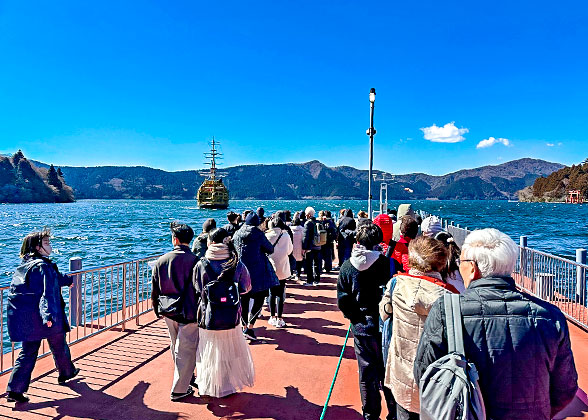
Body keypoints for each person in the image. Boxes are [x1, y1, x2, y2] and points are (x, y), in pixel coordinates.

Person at [414, 228, 578, 420]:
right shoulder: (550, 316)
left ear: (473, 268)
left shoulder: (446, 310)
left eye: (461, 262)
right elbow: (565, 388)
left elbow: (424, 372)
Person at [379, 235, 458, 420]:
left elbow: (384, 314)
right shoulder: (449, 296)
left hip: (401, 372)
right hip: (435, 379)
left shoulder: (396, 285)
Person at [6, 229, 80, 403]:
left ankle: (15, 389)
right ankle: (66, 373)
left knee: (28, 352)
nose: (50, 246)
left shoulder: (27, 265)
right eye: (46, 243)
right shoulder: (43, 266)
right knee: (59, 345)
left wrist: (66, 280)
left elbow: (51, 279)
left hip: (29, 320)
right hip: (46, 319)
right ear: (38, 247)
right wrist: (48, 316)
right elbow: (46, 293)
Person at [337, 223, 396, 420]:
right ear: (378, 242)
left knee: (366, 372)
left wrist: (354, 317)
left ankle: (370, 414)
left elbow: (343, 299)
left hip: (362, 326)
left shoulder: (347, 266)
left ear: (357, 242)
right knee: (388, 371)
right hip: (385, 324)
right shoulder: (386, 263)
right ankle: (394, 413)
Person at [193, 228, 255, 397]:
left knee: (208, 351)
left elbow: (197, 287)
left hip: (208, 316)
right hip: (231, 315)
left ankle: (209, 385)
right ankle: (227, 386)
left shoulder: (201, 263)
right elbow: (247, 287)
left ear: (211, 242)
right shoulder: (237, 263)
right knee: (229, 352)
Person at [151, 222, 199, 401]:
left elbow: (155, 288)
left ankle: (186, 378)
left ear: (175, 240)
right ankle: (179, 389)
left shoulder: (162, 260)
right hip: (189, 310)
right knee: (186, 347)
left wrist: (156, 308)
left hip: (167, 309)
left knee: (175, 344)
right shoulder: (196, 261)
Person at [233, 212, 277, 340]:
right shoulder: (258, 234)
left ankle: (244, 325)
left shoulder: (237, 234)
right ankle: (250, 327)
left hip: (241, 272)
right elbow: (270, 249)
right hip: (258, 271)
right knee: (260, 298)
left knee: (243, 299)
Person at [265, 218, 293, 327]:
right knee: (281, 293)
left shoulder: (267, 235)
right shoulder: (285, 236)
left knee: (271, 293)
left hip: (271, 267)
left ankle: (272, 317)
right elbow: (290, 251)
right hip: (283, 267)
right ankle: (280, 318)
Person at [301, 206, 322, 285]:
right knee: (317, 263)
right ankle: (317, 280)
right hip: (318, 245)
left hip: (310, 246)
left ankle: (310, 281)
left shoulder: (308, 223)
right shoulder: (318, 222)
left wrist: (304, 248)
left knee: (309, 264)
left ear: (309, 215)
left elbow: (305, 237)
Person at [290, 212, 305, 281]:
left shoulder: (290, 230)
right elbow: (304, 240)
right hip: (300, 248)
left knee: (291, 261)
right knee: (299, 262)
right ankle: (298, 275)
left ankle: (291, 273)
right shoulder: (302, 230)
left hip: (291, 248)